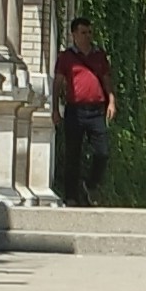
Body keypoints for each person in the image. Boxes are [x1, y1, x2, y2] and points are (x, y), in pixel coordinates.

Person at [51, 19, 112, 207]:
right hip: (75, 110)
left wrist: (112, 100)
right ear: (74, 35)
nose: (88, 36)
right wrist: (55, 108)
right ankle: (71, 196)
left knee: (102, 152)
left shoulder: (99, 55)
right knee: (73, 155)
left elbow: (106, 78)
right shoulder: (66, 57)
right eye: (84, 32)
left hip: (96, 111)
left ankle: (91, 183)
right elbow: (58, 83)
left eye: (89, 33)